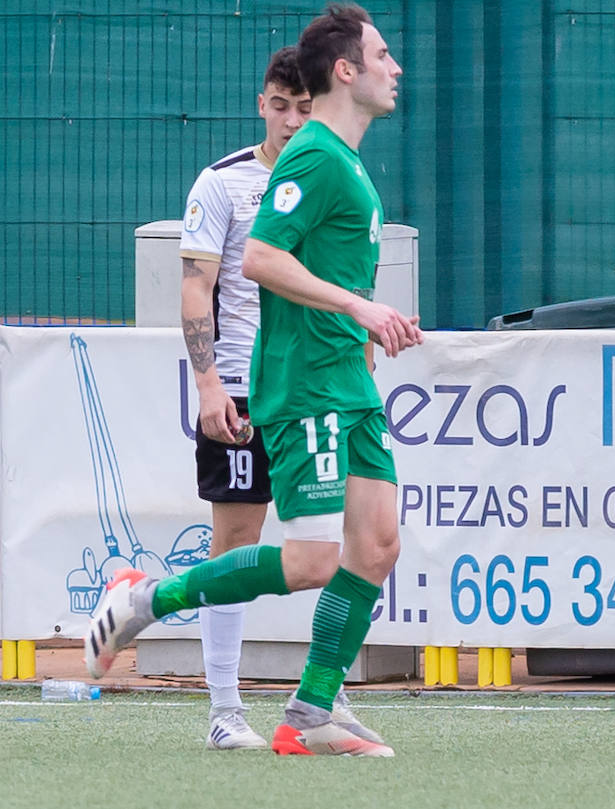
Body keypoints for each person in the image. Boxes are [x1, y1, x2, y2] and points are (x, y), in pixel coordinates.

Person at [87, 2, 421, 757]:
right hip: (307, 385)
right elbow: (261, 258)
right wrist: (361, 305)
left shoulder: (345, 158)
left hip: (348, 382)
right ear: (347, 69)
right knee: (315, 560)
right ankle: (146, 598)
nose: (394, 66)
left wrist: (367, 324)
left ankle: (310, 711)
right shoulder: (312, 155)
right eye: (382, 53)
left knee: (377, 544)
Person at [177, 44, 383, 752]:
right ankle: (224, 708)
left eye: (303, 106)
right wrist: (208, 384)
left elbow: (346, 277)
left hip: (318, 388)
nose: (292, 119)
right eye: (279, 105)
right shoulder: (223, 184)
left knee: (341, 540)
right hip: (241, 387)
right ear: (261, 103)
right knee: (238, 538)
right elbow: (198, 285)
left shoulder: (332, 166)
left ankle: (325, 697)